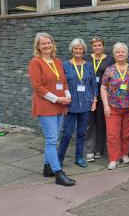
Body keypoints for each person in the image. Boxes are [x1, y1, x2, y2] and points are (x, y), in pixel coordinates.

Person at [28, 32, 75, 186]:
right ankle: (58, 172)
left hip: (60, 104)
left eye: (49, 43)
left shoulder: (57, 61)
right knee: (51, 139)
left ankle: (47, 168)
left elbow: (63, 81)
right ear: (38, 46)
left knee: (53, 139)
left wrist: (67, 96)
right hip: (46, 105)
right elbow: (37, 87)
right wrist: (57, 98)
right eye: (43, 44)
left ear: (52, 44)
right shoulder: (35, 62)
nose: (47, 46)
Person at [58, 39, 98, 168]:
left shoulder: (89, 66)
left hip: (86, 104)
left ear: (84, 50)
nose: (78, 51)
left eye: (80, 49)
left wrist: (94, 100)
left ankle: (79, 157)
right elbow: (61, 84)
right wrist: (62, 98)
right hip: (71, 105)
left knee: (81, 133)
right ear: (72, 50)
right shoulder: (65, 65)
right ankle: (59, 159)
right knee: (67, 134)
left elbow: (93, 84)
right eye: (76, 48)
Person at [101, 42, 129, 170]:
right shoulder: (109, 70)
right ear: (114, 55)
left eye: (123, 51)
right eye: (118, 52)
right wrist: (105, 106)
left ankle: (124, 153)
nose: (120, 54)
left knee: (127, 133)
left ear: (127, 54)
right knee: (113, 134)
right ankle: (114, 158)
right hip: (113, 108)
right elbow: (103, 87)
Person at [84, 37, 115, 162]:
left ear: (103, 46)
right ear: (92, 47)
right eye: (95, 45)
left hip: (104, 97)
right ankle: (89, 150)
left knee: (102, 123)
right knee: (90, 123)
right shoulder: (86, 59)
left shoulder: (110, 60)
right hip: (89, 96)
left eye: (99, 45)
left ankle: (99, 149)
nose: (97, 47)